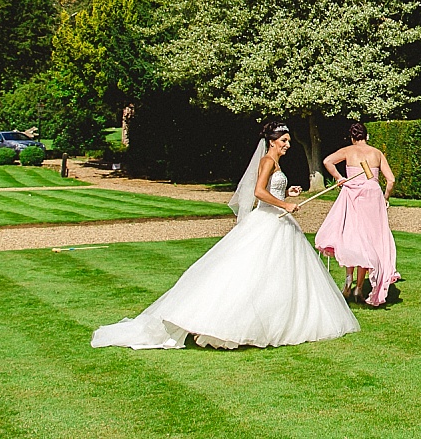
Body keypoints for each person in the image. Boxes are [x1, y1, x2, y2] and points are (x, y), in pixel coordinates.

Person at [92, 121, 359, 350]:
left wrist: (288, 194)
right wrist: (284, 205)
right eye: (285, 140)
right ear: (273, 141)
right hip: (269, 221)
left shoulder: (276, 162)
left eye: (288, 140)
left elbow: (271, 191)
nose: (288, 144)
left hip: (278, 220)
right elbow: (258, 192)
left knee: (279, 275)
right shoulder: (267, 160)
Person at [315, 121, 399, 305]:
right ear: (366, 136)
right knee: (368, 239)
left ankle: (348, 279)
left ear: (353, 137)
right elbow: (391, 180)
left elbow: (327, 161)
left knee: (352, 236)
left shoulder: (348, 150)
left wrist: (339, 178)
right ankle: (359, 287)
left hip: (353, 193)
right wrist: (385, 197)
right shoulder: (376, 153)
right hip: (372, 196)